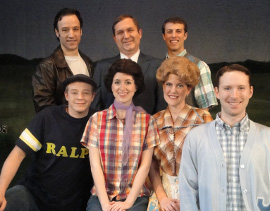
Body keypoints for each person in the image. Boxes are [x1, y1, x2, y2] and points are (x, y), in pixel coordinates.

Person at [179, 64, 270, 210]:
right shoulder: (196, 138)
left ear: (250, 91)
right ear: (217, 92)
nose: (234, 95)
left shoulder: (268, 138)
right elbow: (188, 191)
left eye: (241, 88)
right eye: (227, 88)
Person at [0, 74, 96, 211]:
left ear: (92, 96)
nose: (80, 97)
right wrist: (1, 190)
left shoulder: (98, 122)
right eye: (74, 92)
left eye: (85, 93)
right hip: (33, 196)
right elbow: (17, 154)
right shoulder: (47, 117)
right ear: (66, 96)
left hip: (75, 203)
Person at [81, 59, 160, 211]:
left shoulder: (147, 121)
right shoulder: (96, 119)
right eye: (117, 82)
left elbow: (145, 166)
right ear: (111, 85)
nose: (122, 87)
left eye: (128, 82)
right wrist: (104, 204)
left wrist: (128, 203)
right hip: (102, 195)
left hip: (135, 197)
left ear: (136, 86)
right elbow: (95, 165)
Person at [147, 57, 213, 211]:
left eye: (180, 85)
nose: (173, 90)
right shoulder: (154, 121)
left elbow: (210, 164)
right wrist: (162, 198)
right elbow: (152, 165)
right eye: (168, 84)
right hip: (163, 196)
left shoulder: (202, 117)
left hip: (196, 194)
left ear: (188, 89)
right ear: (163, 86)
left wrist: (189, 199)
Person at [91, 15, 166, 114]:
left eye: (130, 30)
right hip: (109, 128)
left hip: (147, 127)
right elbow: (95, 108)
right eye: (120, 32)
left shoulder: (158, 66)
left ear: (140, 33)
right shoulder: (101, 67)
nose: (126, 36)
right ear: (114, 38)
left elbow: (162, 106)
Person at [32, 8, 94, 113]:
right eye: (65, 30)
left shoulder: (89, 63)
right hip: (62, 127)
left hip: (89, 127)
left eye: (75, 29)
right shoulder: (46, 67)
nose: (71, 35)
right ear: (57, 32)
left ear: (81, 31)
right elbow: (44, 108)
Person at [162, 17, 217, 110]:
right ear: (164, 36)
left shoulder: (199, 66)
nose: (174, 35)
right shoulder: (156, 66)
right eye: (169, 31)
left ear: (185, 35)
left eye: (178, 31)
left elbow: (205, 107)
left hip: (191, 124)